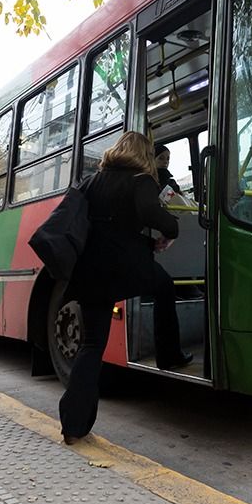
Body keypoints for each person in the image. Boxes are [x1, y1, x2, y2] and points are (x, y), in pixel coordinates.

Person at [59, 131, 192, 444]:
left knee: (92, 344)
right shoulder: (141, 181)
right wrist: (169, 230)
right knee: (164, 286)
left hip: (90, 270)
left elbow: (93, 223)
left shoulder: (92, 181)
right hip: (125, 268)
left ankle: (73, 426)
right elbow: (156, 217)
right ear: (144, 155)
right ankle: (168, 354)